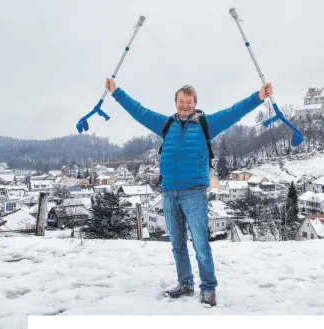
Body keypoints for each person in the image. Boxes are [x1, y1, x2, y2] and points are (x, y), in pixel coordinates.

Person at [105, 78, 273, 307]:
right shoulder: (166, 125)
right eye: (181, 101)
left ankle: (208, 288)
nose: (185, 105)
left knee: (201, 244)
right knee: (177, 243)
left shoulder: (206, 125)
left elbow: (234, 112)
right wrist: (116, 92)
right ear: (175, 102)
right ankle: (185, 283)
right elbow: (139, 111)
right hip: (168, 191)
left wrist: (258, 96)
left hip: (193, 192)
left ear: (195, 103)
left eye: (189, 101)